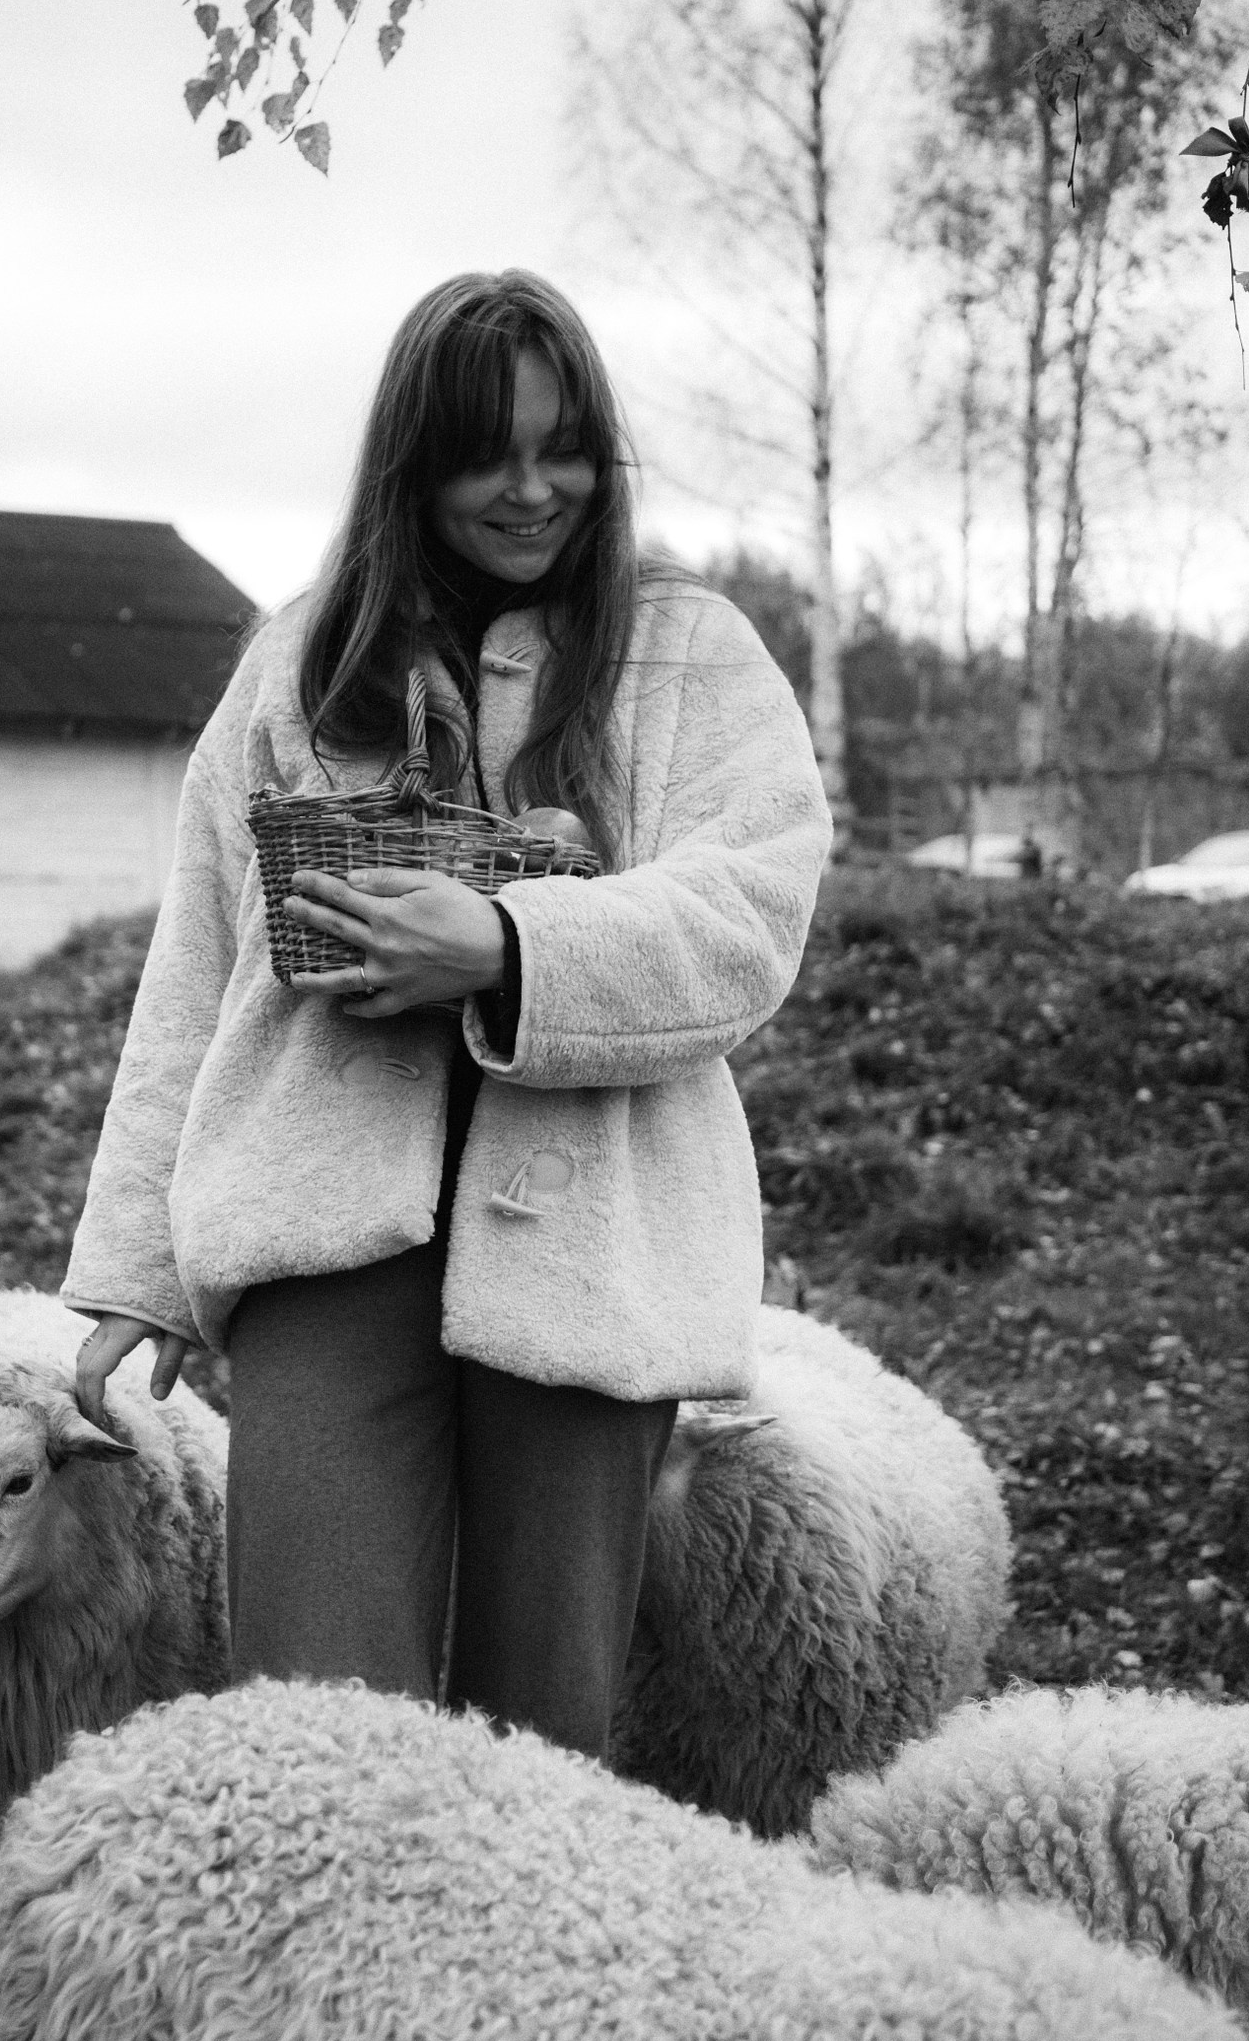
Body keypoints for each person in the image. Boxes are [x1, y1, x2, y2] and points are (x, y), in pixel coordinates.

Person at [67, 269, 832, 1762]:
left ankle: (519, 2000)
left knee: (539, 1739)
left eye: (565, 449)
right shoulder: (295, 663)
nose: (534, 489)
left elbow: (752, 916)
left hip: (593, 1253)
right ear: (415, 460)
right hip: (319, 1237)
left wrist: (503, 945)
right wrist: (136, 1263)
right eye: (491, 453)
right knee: (318, 1723)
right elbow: (198, 965)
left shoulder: (694, 654)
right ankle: (327, 1995)